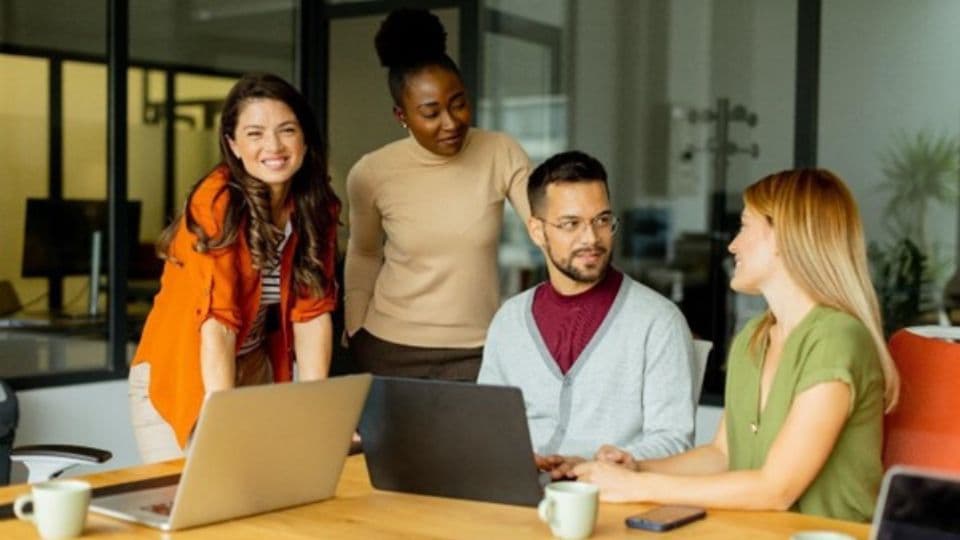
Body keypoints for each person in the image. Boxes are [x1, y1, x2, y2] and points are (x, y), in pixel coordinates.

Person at [572, 169, 900, 523]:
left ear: (782, 238)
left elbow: (777, 489)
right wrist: (636, 468)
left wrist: (641, 487)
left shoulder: (836, 339)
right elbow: (722, 454)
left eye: (744, 227)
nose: (732, 245)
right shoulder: (754, 338)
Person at [129, 73, 340, 463]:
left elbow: (311, 315)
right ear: (233, 145)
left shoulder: (315, 206)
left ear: (305, 138)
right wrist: (221, 424)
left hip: (253, 366)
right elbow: (218, 324)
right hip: (184, 373)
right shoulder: (216, 204)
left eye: (287, 130)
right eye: (255, 133)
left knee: (258, 500)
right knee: (195, 504)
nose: (273, 146)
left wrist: (315, 413)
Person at [477, 150, 697, 476]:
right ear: (537, 231)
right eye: (571, 224)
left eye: (602, 220)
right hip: (515, 493)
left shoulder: (659, 322)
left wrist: (601, 465)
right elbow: (486, 423)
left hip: (610, 497)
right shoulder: (509, 320)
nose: (591, 238)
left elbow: (674, 439)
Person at [344, 8, 531, 381]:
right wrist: (355, 328)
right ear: (402, 115)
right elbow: (364, 253)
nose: (451, 122)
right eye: (431, 112)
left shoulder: (500, 151)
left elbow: (545, 225)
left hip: (478, 351)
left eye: (458, 103)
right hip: (387, 348)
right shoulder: (371, 172)